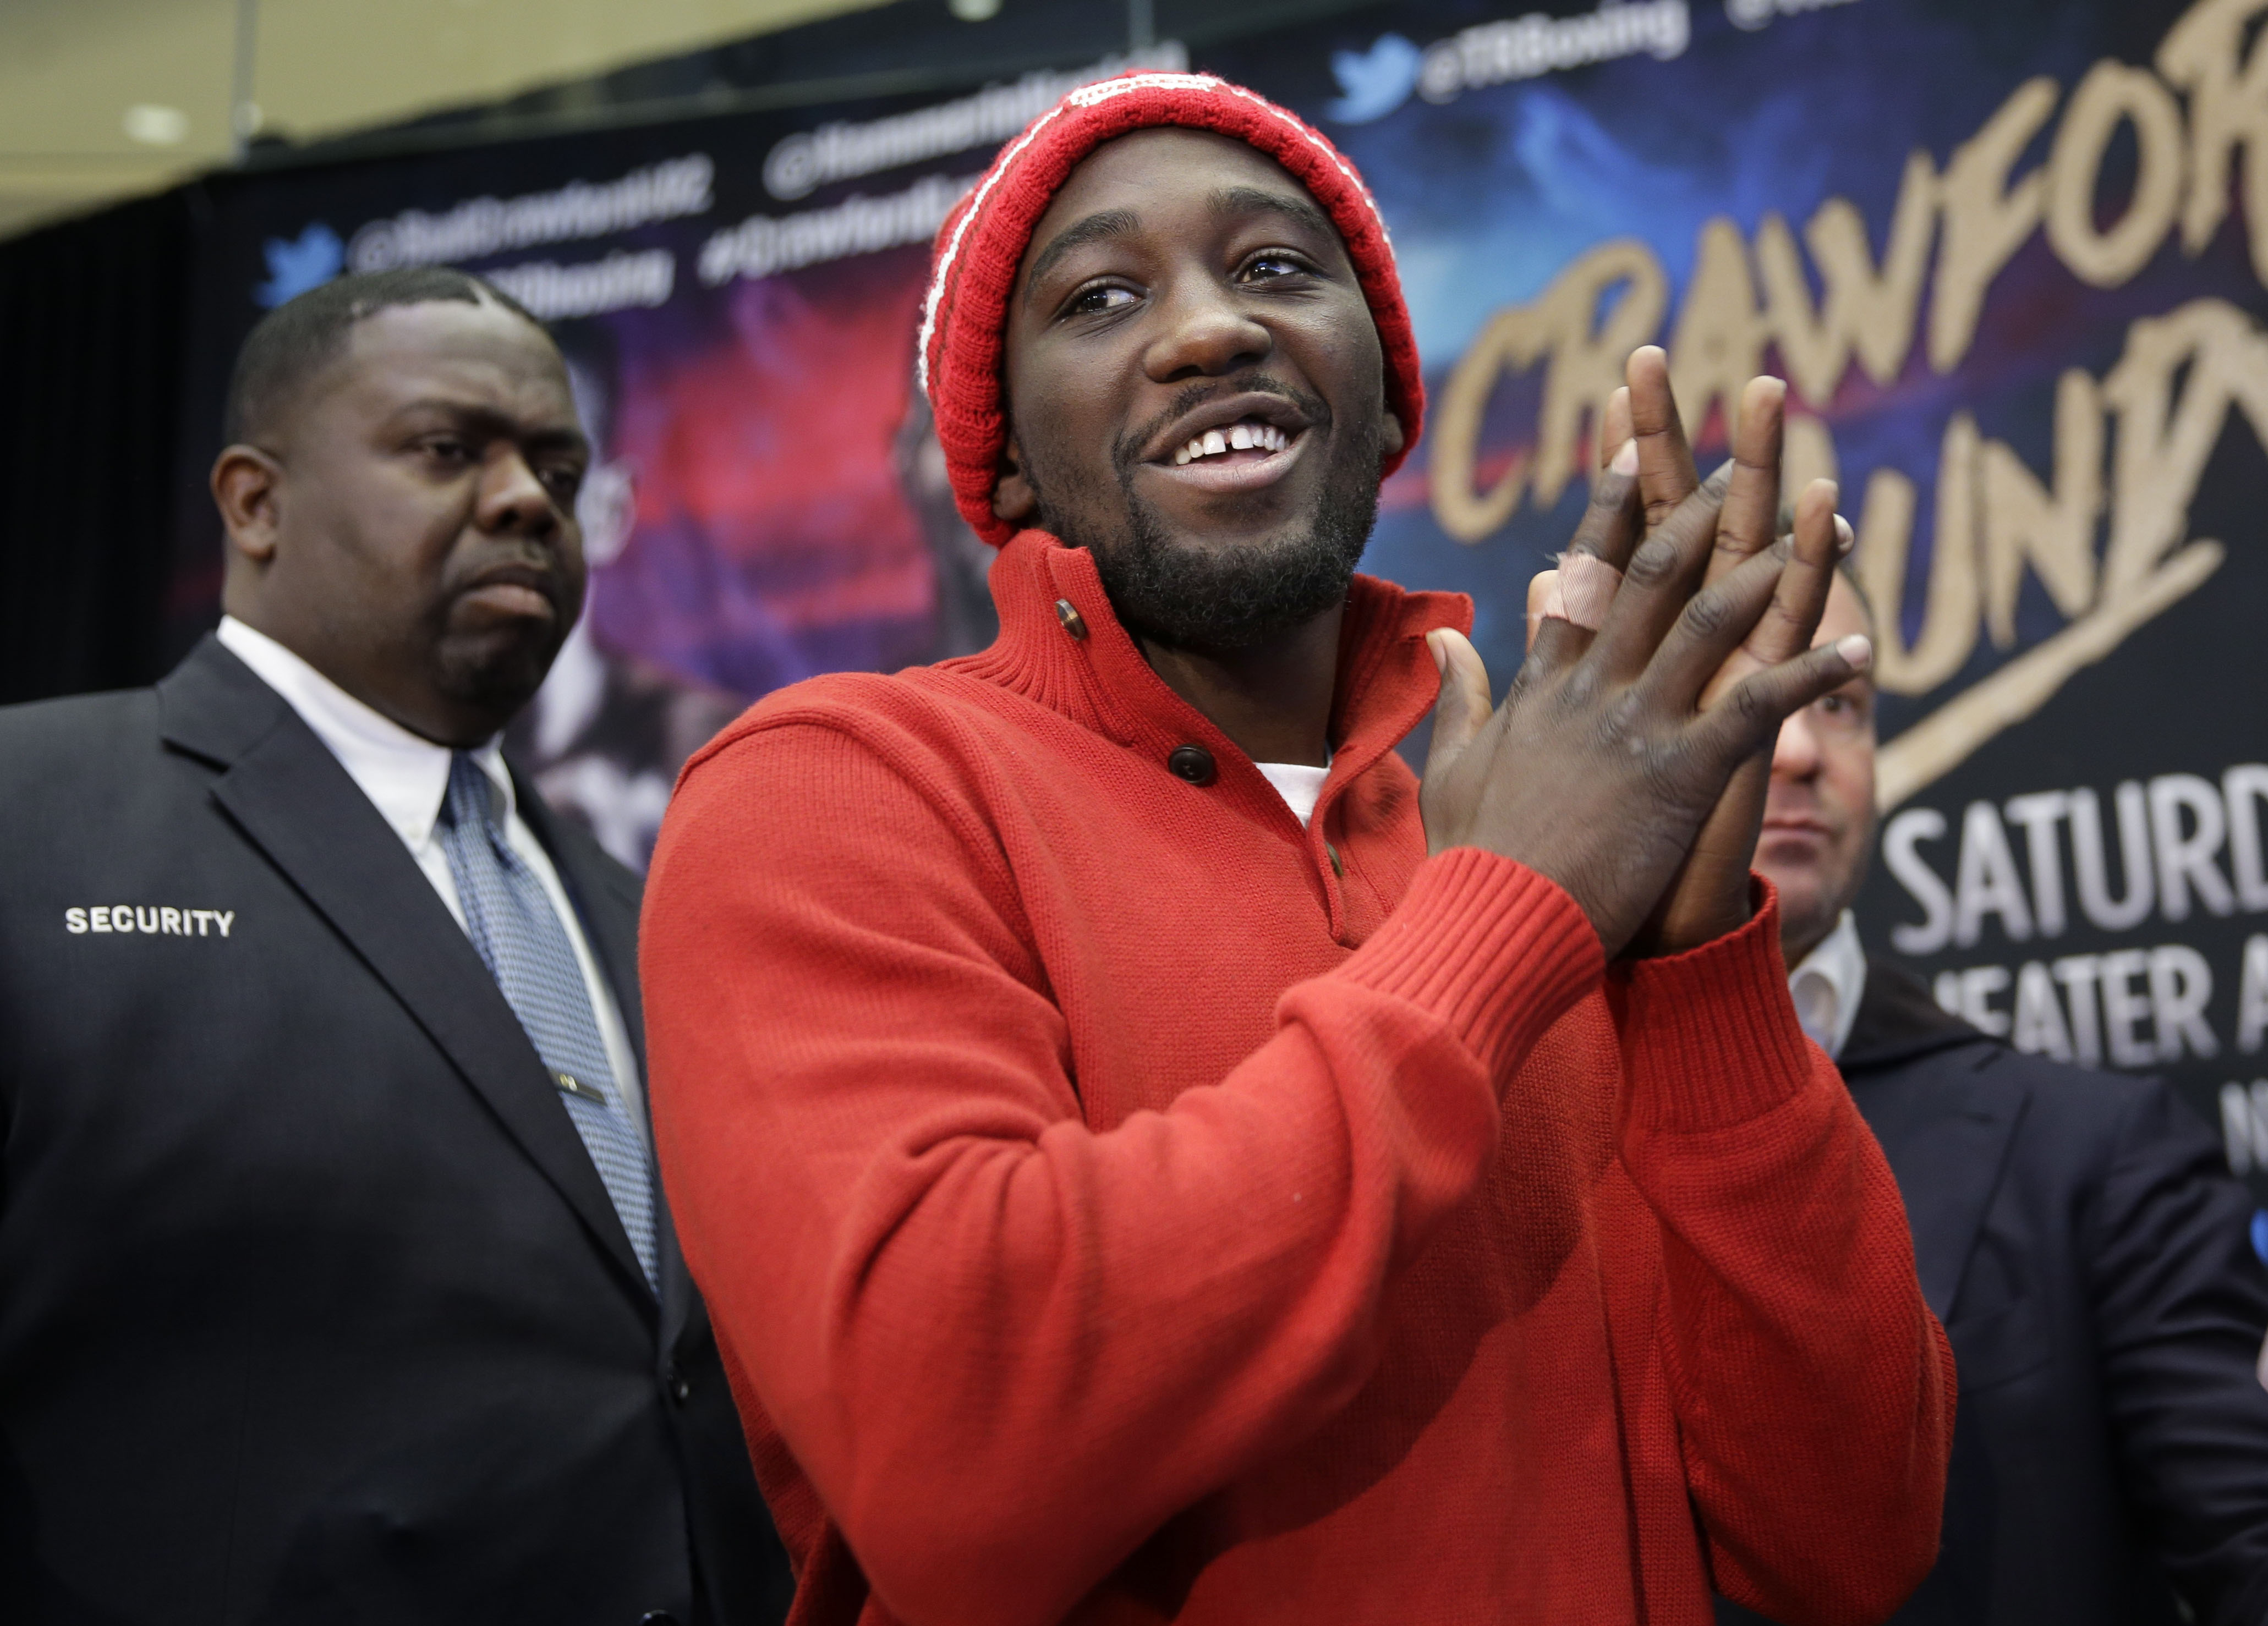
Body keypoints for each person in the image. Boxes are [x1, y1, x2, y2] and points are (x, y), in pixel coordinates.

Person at [642, 74, 1953, 1626]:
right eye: (1101, 296)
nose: (1209, 329)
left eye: (1274, 267)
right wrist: (1507, 914)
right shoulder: (836, 788)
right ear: (999, 463)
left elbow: (1847, 1534)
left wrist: (1698, 969)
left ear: (1387, 400)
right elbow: (952, 1440)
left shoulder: (1524, 813)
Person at [0, 268, 791, 1624]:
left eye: (558, 470)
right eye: (446, 449)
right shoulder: (32, 813)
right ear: (255, 502)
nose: (526, 501)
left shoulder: (635, 904)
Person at [1730, 567, 2268, 1625]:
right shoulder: (1512, 1137)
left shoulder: (2095, 1152)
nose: (1798, 751)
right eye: (1744, 692)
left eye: (1839, 703)